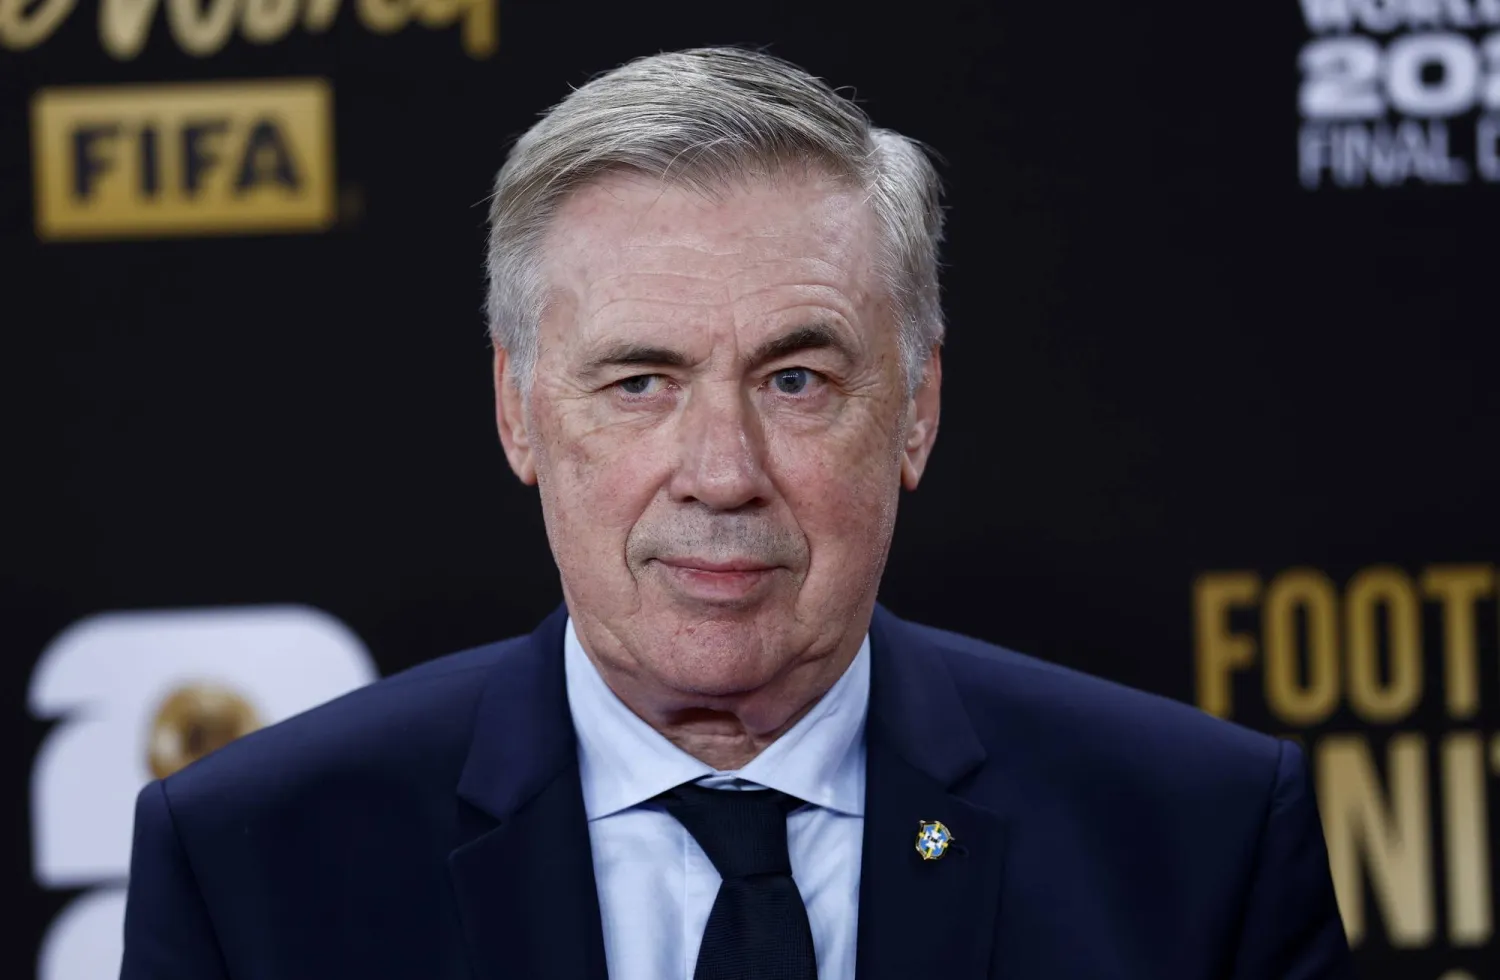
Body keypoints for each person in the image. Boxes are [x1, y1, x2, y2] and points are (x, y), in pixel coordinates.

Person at [120, 47, 1354, 980]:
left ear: (916, 411)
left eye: (795, 379)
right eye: (639, 381)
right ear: (517, 412)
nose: (721, 471)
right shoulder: (256, 865)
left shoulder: (1198, 844)